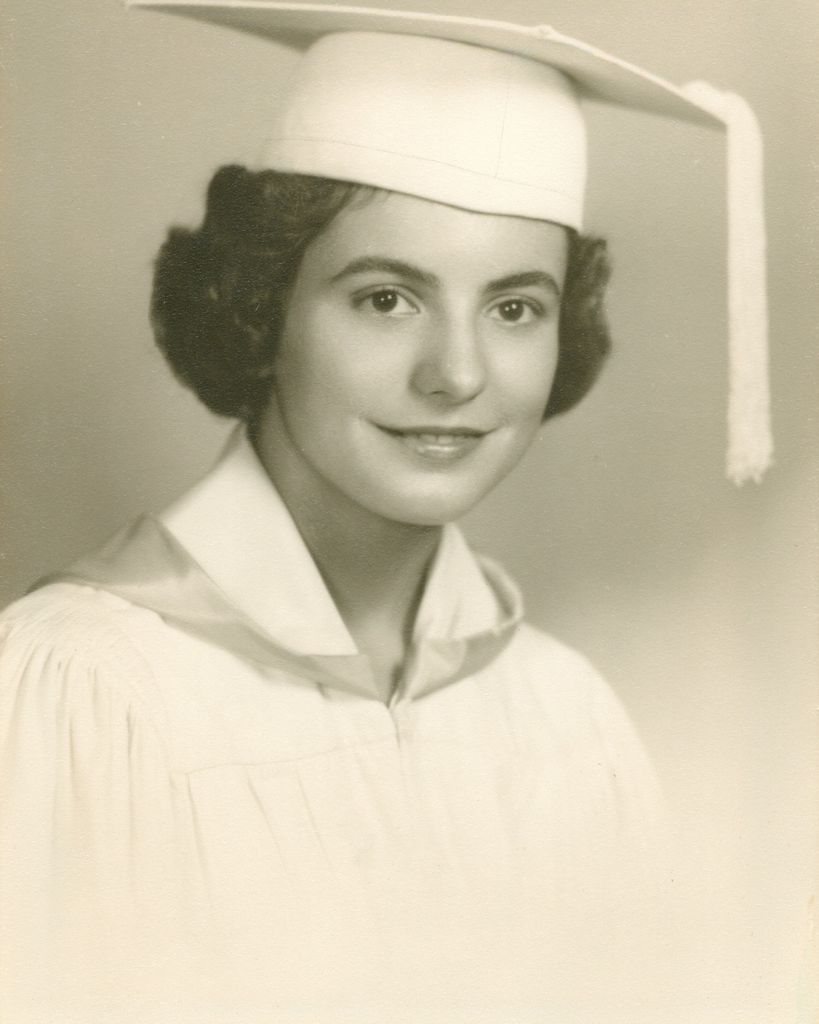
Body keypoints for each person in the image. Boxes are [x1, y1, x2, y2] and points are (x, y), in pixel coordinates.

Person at [0, 3, 771, 1021]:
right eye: (385, 298)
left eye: (514, 308)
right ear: (261, 311)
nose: (456, 374)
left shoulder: (566, 719)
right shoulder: (86, 692)